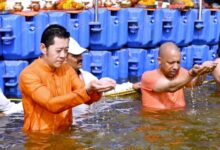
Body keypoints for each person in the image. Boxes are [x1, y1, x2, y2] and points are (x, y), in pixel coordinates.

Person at [19, 24, 116, 133]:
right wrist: (87, 90)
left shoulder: (67, 69)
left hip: (66, 133)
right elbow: (51, 104)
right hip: (40, 139)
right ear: (43, 48)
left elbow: (86, 97)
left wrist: (97, 88)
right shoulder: (29, 74)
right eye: (58, 50)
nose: (63, 55)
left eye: (66, 50)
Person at [66, 37, 141, 117]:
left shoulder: (85, 76)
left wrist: (132, 86)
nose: (80, 58)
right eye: (75, 56)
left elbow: (105, 91)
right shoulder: (57, 80)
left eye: (80, 54)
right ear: (63, 58)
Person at [141, 42, 217, 110]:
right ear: (159, 61)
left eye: (178, 62)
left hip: (178, 119)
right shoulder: (148, 76)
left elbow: (195, 83)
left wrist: (202, 71)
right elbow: (170, 87)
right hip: (156, 121)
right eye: (171, 63)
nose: (176, 67)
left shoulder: (181, 72)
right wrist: (191, 74)